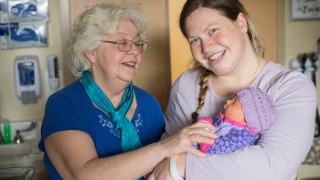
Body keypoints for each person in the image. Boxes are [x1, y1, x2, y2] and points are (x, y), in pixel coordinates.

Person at [38, 3, 216, 180]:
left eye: (137, 43)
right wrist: (166, 147)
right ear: (91, 52)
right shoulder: (63, 104)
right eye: (122, 43)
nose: (134, 51)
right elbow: (83, 175)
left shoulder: (149, 104)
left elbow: (164, 169)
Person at [147, 0, 317, 179]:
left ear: (241, 23)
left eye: (213, 30)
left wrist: (182, 165)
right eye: (195, 40)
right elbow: (166, 153)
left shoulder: (290, 87)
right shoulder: (186, 86)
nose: (206, 48)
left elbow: (271, 167)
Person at [196, 87, 276, 154]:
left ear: (246, 119)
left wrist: (205, 143)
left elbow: (221, 148)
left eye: (233, 102)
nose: (228, 101)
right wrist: (205, 122)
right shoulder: (224, 119)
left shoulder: (243, 136)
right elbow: (211, 122)